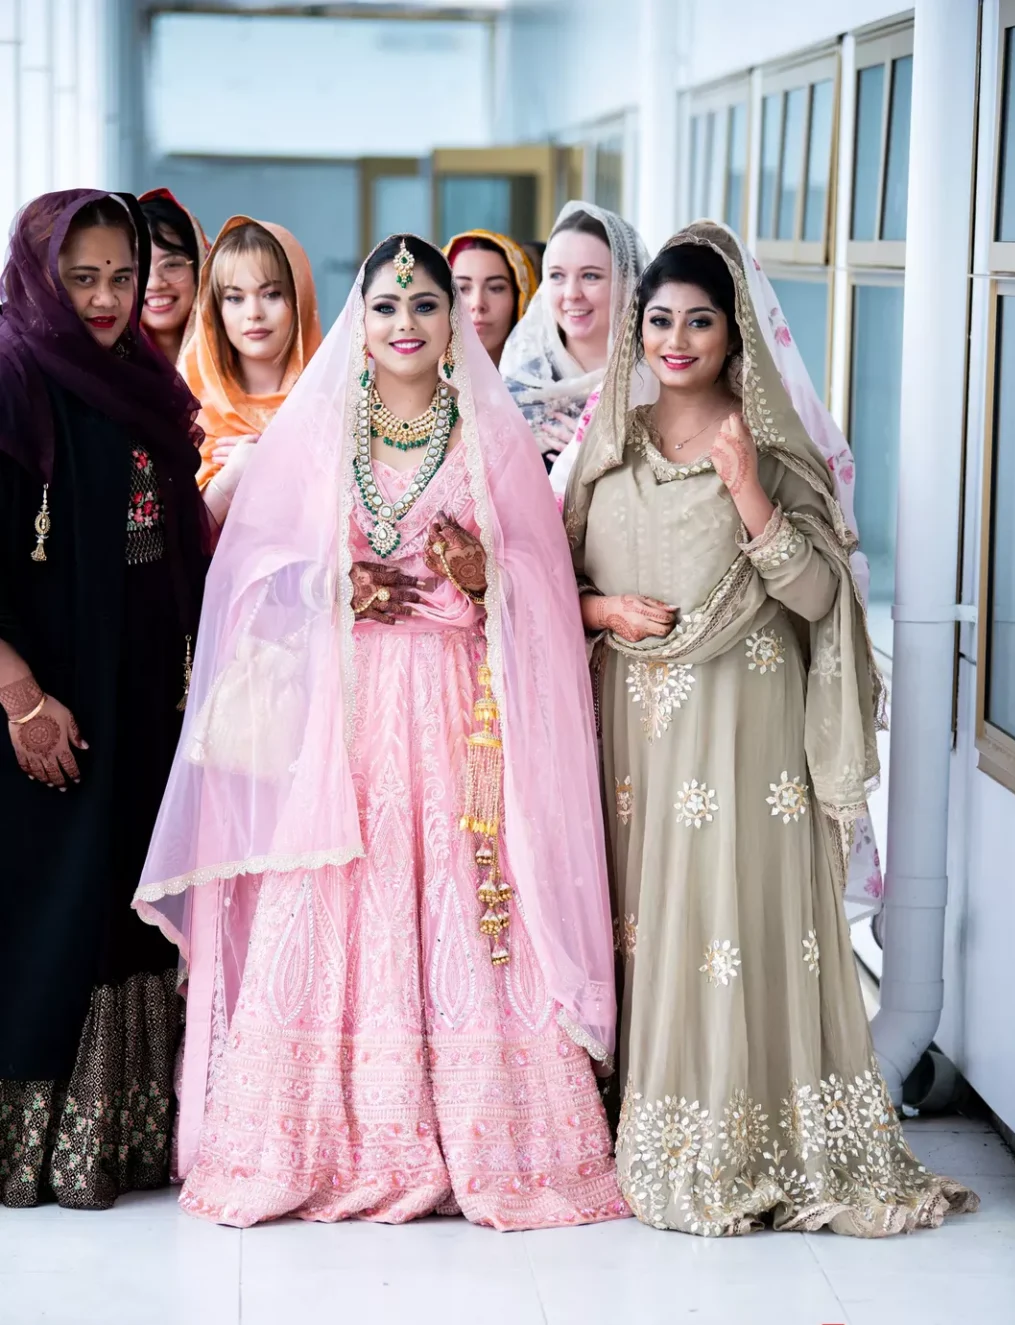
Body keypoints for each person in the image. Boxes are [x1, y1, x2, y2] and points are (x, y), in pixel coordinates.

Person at [135, 234, 625, 1231]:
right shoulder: (320, 434)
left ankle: (486, 1135)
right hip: (343, 717)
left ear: (455, 324)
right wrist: (336, 582)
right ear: (361, 321)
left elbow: (538, 584)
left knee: (455, 902)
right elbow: (245, 579)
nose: (406, 325)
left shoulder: (487, 438)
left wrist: (485, 576)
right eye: (387, 307)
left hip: (457, 718)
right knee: (337, 903)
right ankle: (319, 1138)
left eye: (426, 307)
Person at [564, 222, 979, 1237]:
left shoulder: (772, 445)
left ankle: (754, 1133)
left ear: (732, 332)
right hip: (636, 738)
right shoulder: (604, 449)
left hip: (747, 735)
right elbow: (549, 587)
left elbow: (815, 597)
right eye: (658, 319)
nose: (676, 339)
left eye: (698, 320)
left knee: (732, 922)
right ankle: (652, 1119)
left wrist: (747, 491)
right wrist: (606, 612)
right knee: (649, 918)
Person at [0, 191, 209, 1208]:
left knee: (127, 896)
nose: (106, 296)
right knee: (56, 901)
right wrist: (20, 695)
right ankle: (35, 1146)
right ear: (42, 274)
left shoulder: (138, 377)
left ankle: (121, 1138)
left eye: (121, 275)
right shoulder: (10, 375)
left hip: (135, 687)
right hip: (45, 697)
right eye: (80, 277)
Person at [181, 215, 321, 526]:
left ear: (300, 297)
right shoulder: (185, 405)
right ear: (214, 308)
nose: (254, 314)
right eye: (234, 298)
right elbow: (177, 544)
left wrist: (276, 461)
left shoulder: (340, 400)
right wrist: (234, 475)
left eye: (271, 294)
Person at [500, 201, 648, 472]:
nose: (571, 293)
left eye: (590, 276)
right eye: (557, 276)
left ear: (628, 282)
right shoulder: (521, 387)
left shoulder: (655, 380)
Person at [442, 229, 536, 367]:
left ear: (520, 298)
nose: (478, 303)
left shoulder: (549, 384)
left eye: (496, 288)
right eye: (462, 288)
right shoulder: (411, 384)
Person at [139, 187, 210, 367]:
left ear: (201, 268)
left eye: (171, 265)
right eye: (137, 268)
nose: (155, 283)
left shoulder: (240, 361)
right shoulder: (98, 372)